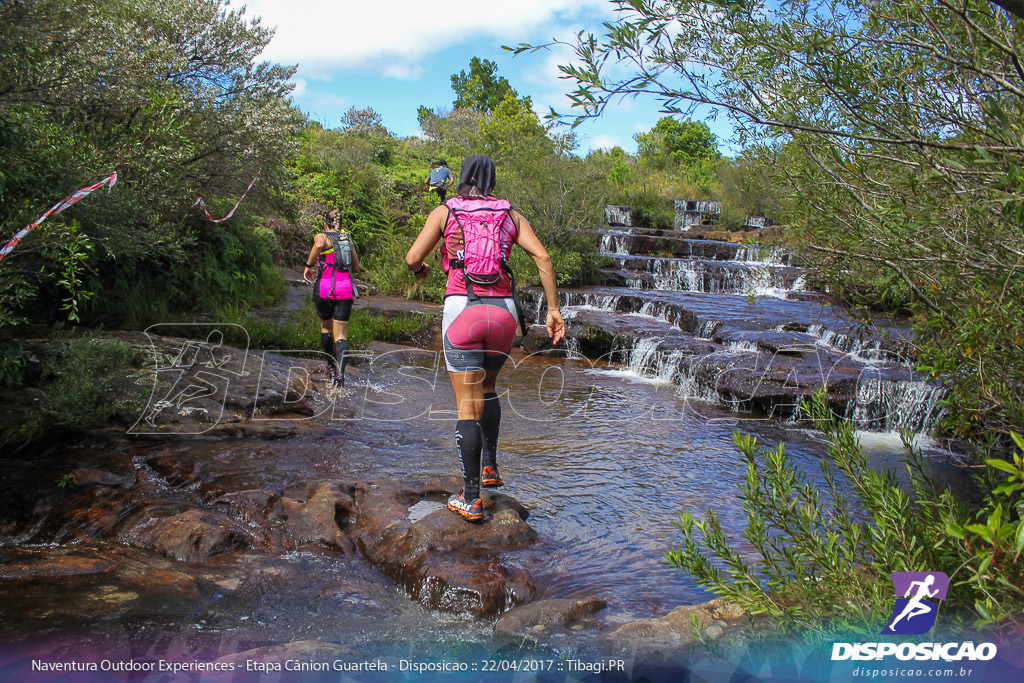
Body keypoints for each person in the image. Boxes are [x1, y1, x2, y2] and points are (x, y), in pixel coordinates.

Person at [405, 154, 565, 522]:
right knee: (488, 387)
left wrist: (423, 269)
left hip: (464, 309)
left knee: (466, 404)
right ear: (492, 182)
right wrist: (553, 310)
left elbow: (413, 258)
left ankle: (471, 497)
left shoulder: (446, 211)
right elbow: (543, 257)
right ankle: (491, 467)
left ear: (461, 178)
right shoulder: (511, 215)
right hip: (504, 315)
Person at [302, 209, 361, 386]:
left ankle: (330, 366)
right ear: (341, 225)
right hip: (345, 290)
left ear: (325, 223)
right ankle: (340, 375)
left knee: (326, 328)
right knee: (341, 335)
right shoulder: (347, 239)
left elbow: (319, 245)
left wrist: (308, 265)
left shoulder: (322, 236)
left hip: (324, 289)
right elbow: (356, 268)